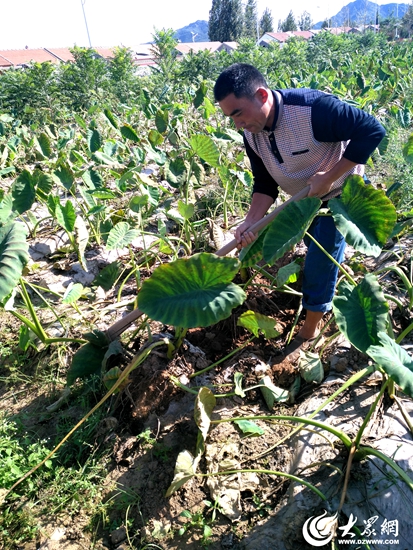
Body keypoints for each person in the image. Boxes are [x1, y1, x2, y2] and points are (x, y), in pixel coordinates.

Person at [213, 63, 386, 358]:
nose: (236, 124)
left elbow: (371, 131)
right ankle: (322, 294)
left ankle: (308, 333)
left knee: (321, 260)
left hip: (341, 194)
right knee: (311, 246)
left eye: (238, 113)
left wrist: (329, 176)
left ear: (262, 95)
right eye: (230, 117)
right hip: (303, 202)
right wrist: (251, 221)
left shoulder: (313, 110)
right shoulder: (251, 132)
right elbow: (265, 183)